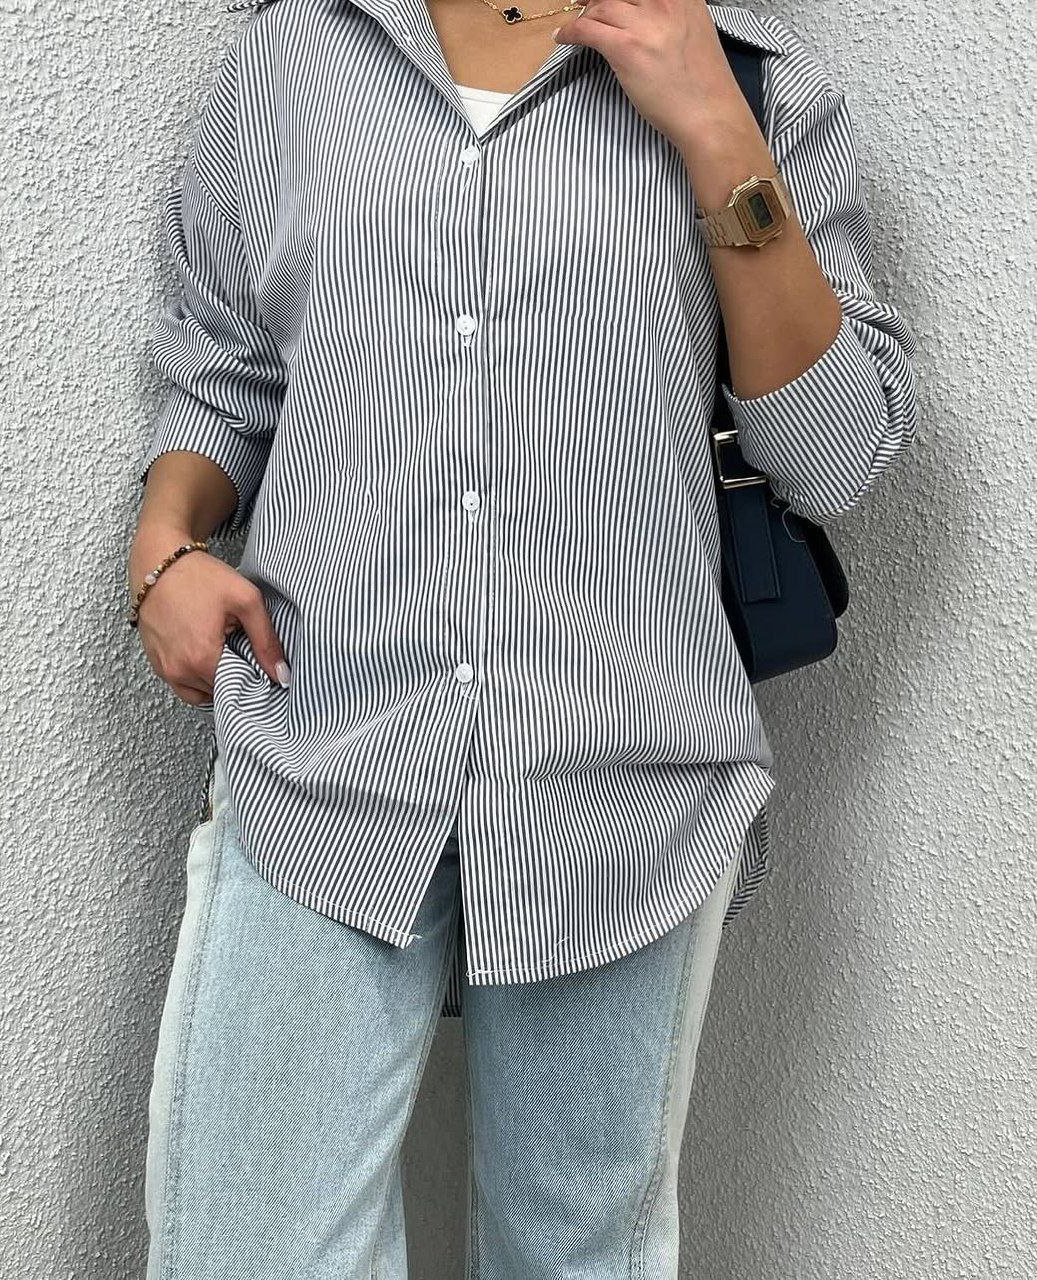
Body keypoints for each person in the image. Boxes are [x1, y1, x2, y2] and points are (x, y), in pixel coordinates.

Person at [129, 0, 918, 1275]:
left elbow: (831, 456)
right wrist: (165, 545)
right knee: (249, 1248)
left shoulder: (758, 80)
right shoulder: (294, 56)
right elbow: (225, 368)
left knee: (575, 1260)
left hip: (622, 789)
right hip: (319, 745)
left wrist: (716, 129)